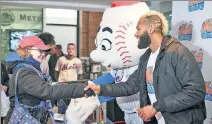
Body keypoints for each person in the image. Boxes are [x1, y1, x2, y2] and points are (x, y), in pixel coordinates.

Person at [84, 10, 206, 124]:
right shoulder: (145, 58)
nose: (136, 34)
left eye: (138, 28)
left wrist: (155, 107)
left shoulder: (178, 53)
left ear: (151, 28)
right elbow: (129, 86)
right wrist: (100, 88)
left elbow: (195, 91)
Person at [4, 36, 93, 124]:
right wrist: (82, 89)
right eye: (40, 51)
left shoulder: (28, 68)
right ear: (27, 50)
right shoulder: (25, 71)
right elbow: (47, 91)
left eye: (43, 51)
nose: (43, 54)